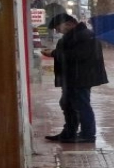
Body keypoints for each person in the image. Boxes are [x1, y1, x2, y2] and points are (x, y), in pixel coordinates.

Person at [41, 13, 108, 143]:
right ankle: (69, 132)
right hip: (72, 78)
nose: (57, 31)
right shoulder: (75, 35)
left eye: (57, 27)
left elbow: (78, 56)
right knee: (67, 104)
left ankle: (88, 134)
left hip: (80, 78)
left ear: (69, 23)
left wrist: (54, 53)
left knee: (81, 105)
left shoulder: (86, 35)